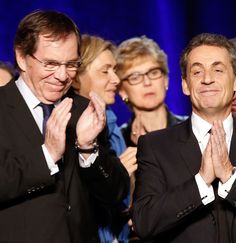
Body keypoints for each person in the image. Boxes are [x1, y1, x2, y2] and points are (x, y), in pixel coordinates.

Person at [132, 33, 236, 242]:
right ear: (185, 84)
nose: (207, 79)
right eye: (197, 71)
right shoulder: (155, 146)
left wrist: (230, 176)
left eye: (218, 70)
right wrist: (200, 182)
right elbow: (144, 222)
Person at [0, 10, 129, 242]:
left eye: (71, 64)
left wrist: (88, 149)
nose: (62, 75)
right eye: (50, 63)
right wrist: (47, 155)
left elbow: (116, 192)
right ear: (21, 57)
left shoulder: (84, 109)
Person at [71, 34, 137, 243]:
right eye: (104, 71)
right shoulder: (68, 130)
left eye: (114, 70)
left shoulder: (113, 127)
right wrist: (115, 172)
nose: (116, 79)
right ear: (76, 77)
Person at [115, 35, 186, 147]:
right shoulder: (117, 144)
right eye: (135, 77)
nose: (147, 82)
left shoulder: (192, 129)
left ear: (166, 80)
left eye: (153, 72)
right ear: (122, 90)